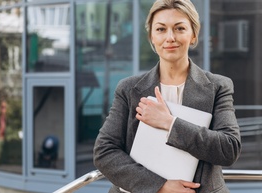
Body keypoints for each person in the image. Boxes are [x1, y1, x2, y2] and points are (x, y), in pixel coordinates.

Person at [93, 0, 241, 192]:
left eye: (179, 28)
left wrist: (170, 123)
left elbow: (229, 149)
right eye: (161, 29)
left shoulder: (218, 86)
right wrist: (160, 186)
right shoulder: (128, 89)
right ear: (151, 37)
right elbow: (104, 152)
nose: (170, 37)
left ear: (193, 35)